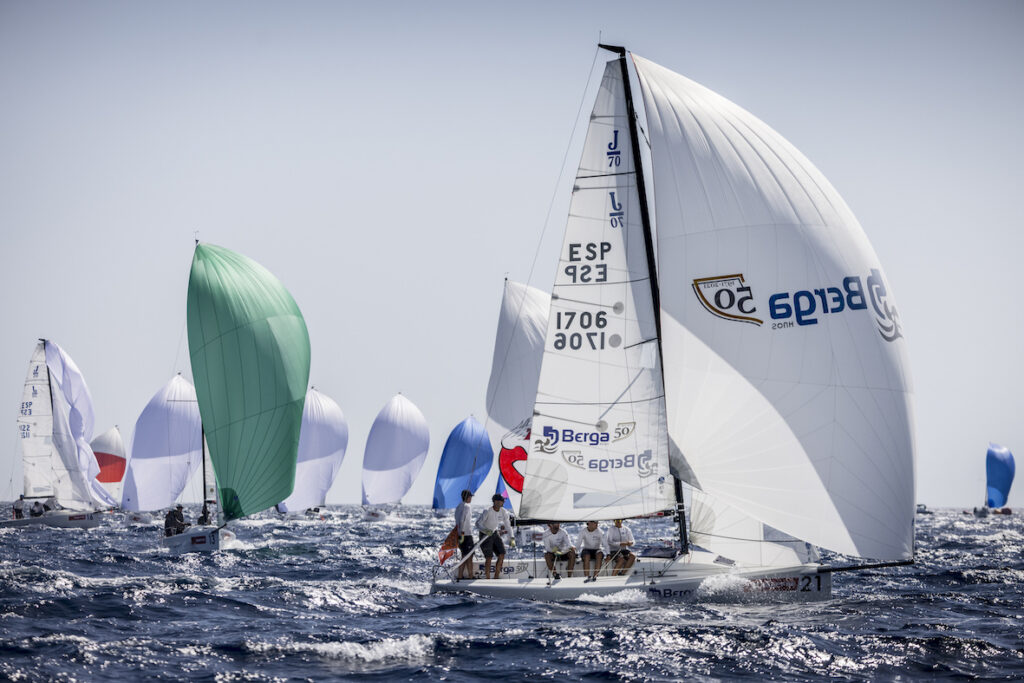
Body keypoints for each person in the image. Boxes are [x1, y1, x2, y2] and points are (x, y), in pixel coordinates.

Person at [475, 493, 513, 580]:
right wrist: (485, 530)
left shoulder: (504, 512)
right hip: (485, 534)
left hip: (494, 533)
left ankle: (496, 577)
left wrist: (512, 537)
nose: (502, 502)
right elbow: (478, 524)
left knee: (502, 554)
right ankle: (487, 578)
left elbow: (508, 525)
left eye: (502, 501)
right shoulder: (487, 511)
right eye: (500, 501)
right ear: (495, 502)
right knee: (489, 557)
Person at [454, 490, 475, 580]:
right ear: (468, 497)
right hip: (465, 535)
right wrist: (462, 534)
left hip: (459, 534)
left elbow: (457, 520)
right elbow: (462, 520)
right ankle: (470, 576)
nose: (471, 499)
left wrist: (460, 534)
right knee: (469, 556)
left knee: (464, 555)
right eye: (470, 497)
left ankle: (460, 576)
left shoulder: (458, 506)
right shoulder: (467, 506)